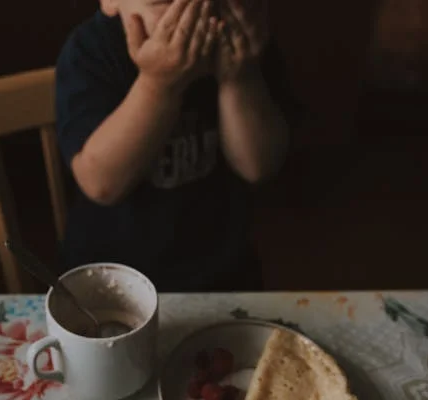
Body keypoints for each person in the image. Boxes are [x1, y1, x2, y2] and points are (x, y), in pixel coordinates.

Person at [54, 0, 291, 292]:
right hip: (110, 283)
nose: (197, 16)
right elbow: (102, 184)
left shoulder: (244, 47)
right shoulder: (91, 51)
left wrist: (240, 78)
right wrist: (157, 85)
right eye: (166, 3)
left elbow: (258, 166)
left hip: (222, 276)